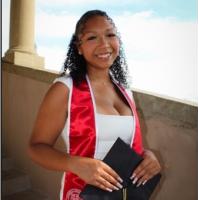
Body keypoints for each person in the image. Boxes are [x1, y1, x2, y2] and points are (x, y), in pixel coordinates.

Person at [28, 10, 161, 200]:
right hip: (82, 193)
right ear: (79, 47)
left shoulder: (125, 92)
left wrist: (148, 157)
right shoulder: (66, 89)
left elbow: (130, 146)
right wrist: (76, 164)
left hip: (123, 194)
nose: (104, 44)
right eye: (92, 37)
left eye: (110, 35)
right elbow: (36, 147)